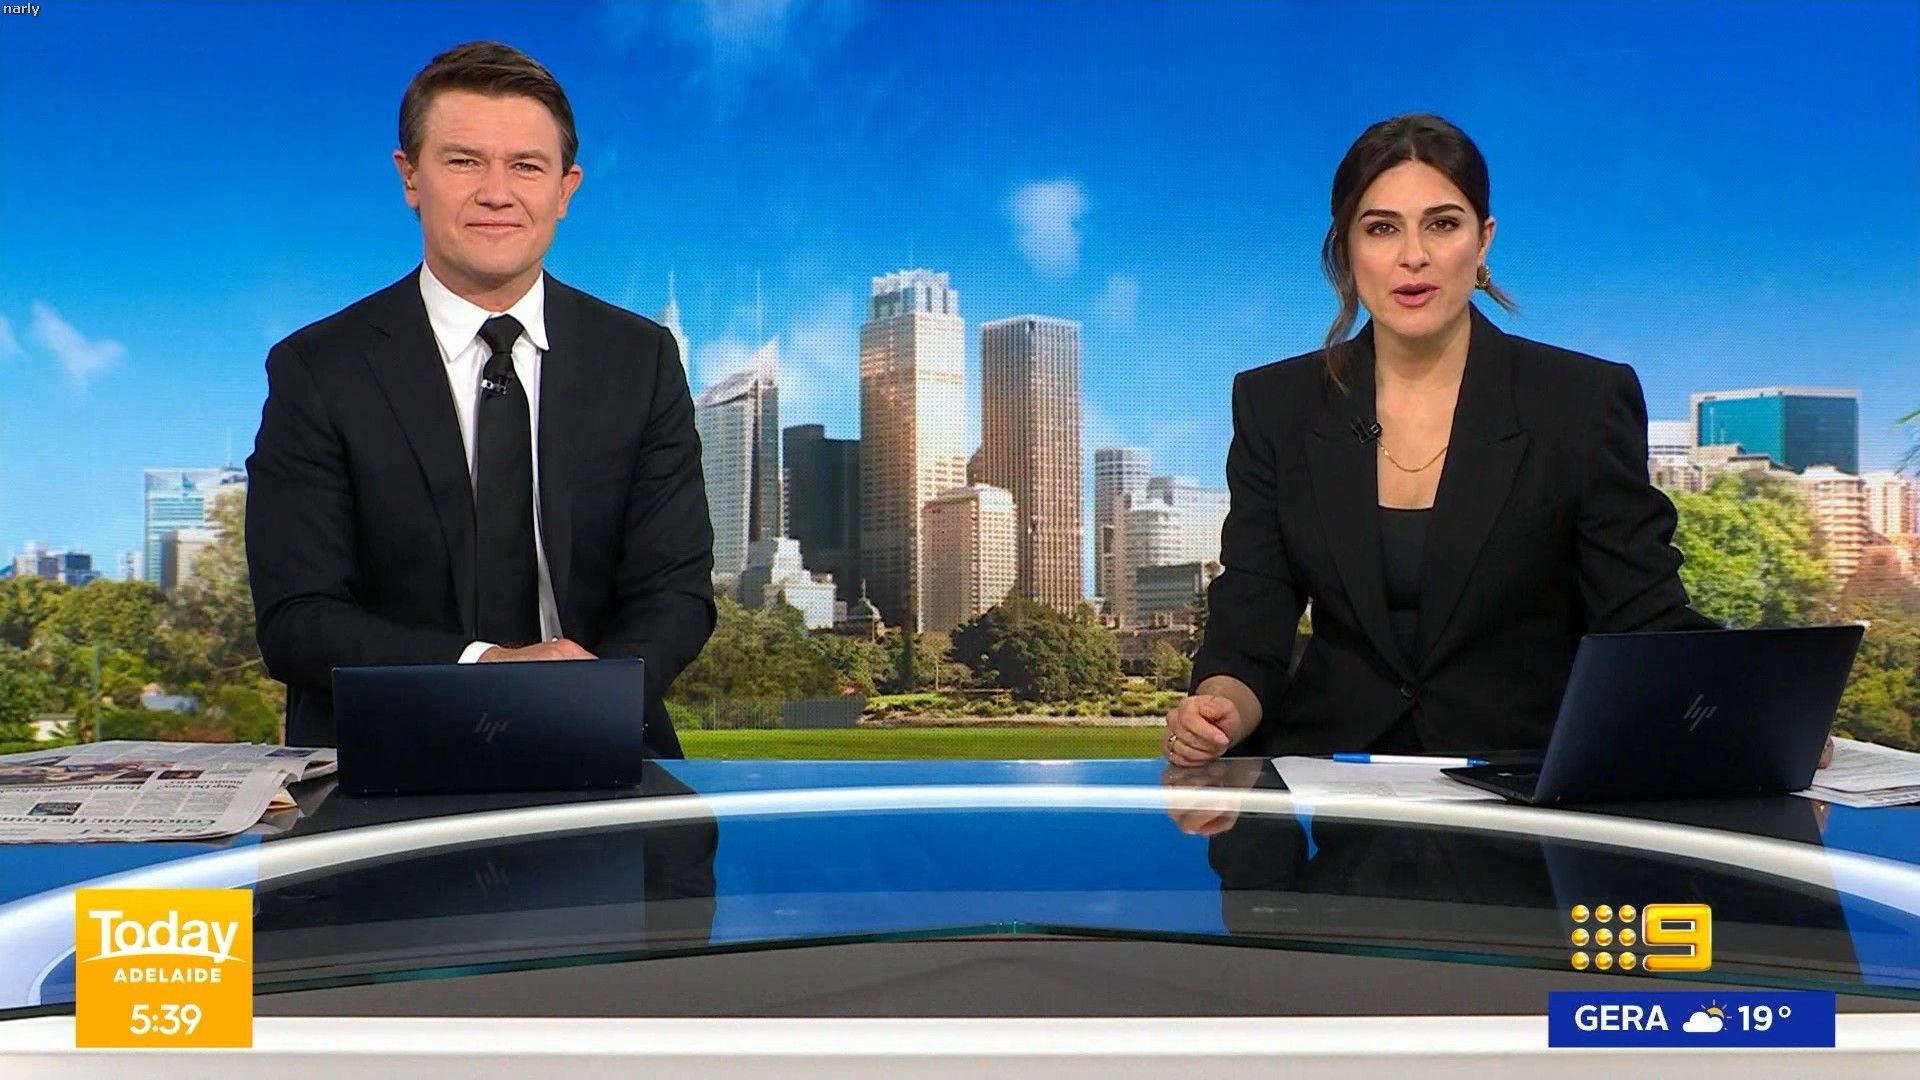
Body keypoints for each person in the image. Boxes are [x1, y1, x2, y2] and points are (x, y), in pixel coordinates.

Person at [1163, 113, 1719, 764]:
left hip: (1521, 785)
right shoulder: (1277, 405)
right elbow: (1251, 624)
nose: (1413, 256)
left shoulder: (1581, 402)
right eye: (1381, 228)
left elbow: (1643, 619)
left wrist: (1760, 710)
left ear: (1482, 242)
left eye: (1442, 224)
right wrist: (1220, 708)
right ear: (1346, 248)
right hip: (1333, 785)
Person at [246, 42, 714, 757]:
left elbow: (676, 592)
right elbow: (298, 619)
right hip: (386, 762)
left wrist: (590, 697)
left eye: (526, 166)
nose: (497, 192)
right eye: (464, 161)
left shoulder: (640, 359)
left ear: (565, 189)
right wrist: (484, 671)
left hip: (602, 744)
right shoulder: (318, 370)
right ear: (410, 177)